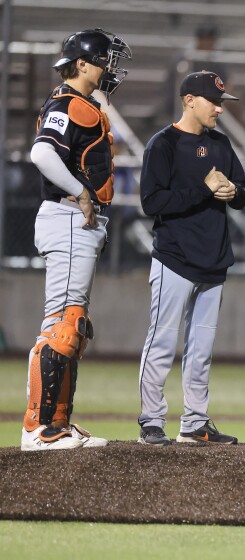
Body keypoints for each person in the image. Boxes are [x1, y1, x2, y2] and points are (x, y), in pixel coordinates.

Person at [21, 28, 131, 451]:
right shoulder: (68, 102)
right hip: (68, 217)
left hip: (75, 221)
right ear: (81, 63)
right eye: (104, 59)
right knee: (62, 327)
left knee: (74, 327)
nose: (109, 68)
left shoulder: (80, 102)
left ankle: (58, 423)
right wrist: (82, 192)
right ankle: (39, 428)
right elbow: (41, 153)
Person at [137, 71, 245, 446]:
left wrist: (234, 190)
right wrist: (203, 190)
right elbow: (152, 203)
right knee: (162, 345)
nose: (220, 108)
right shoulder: (163, 144)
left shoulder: (219, 143)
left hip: (214, 260)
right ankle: (152, 422)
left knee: (200, 352)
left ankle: (194, 423)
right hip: (174, 259)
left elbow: (243, 194)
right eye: (213, 101)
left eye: (221, 101)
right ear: (189, 100)